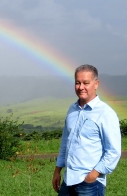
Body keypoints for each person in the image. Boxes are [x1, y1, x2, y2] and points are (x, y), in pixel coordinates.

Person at [52, 64, 121, 196]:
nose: (81, 87)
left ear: (96, 84)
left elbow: (113, 151)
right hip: (68, 180)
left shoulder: (106, 113)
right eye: (77, 83)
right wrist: (57, 171)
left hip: (90, 184)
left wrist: (93, 175)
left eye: (86, 83)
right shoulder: (72, 110)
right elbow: (65, 143)